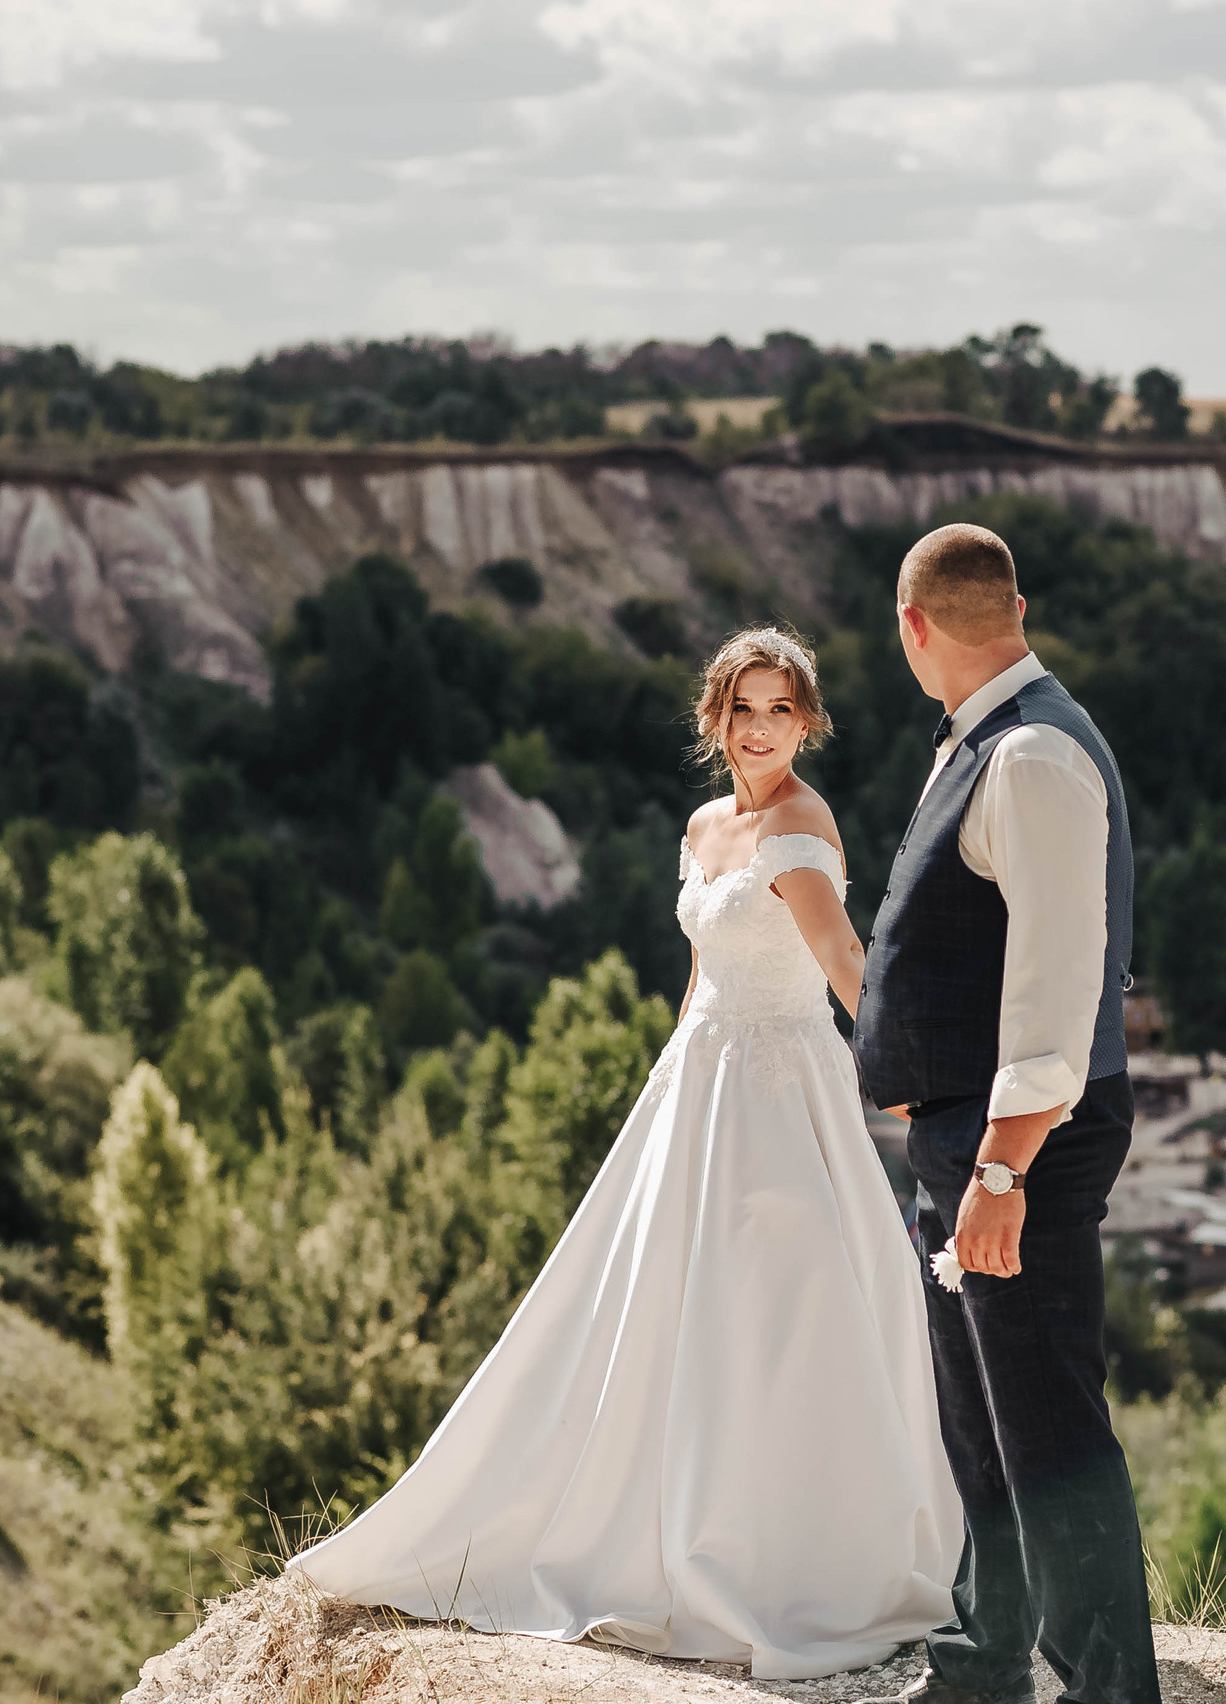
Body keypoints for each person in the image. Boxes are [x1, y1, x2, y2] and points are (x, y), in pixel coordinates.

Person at [289, 627, 960, 1680]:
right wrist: (665, 1078)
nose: (760, 729)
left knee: (779, 1310)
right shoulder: (700, 826)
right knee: (660, 1303)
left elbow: (843, 961)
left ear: (807, 721)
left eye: (781, 709)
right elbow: (699, 968)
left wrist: (913, 1077)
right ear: (715, 717)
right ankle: (643, 1522)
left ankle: (779, 1552)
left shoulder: (803, 824)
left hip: (783, 1094)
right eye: (744, 707)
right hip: (697, 1082)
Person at [854, 523, 1160, 1704]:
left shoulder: (1029, 756)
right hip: (970, 1141)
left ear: (914, 628)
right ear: (1015, 607)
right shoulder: (989, 741)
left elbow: (1054, 981)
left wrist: (1001, 1172)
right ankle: (984, 1663)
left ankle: (1107, 1690)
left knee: (1047, 1428)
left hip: (1017, 1146)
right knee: (980, 1416)